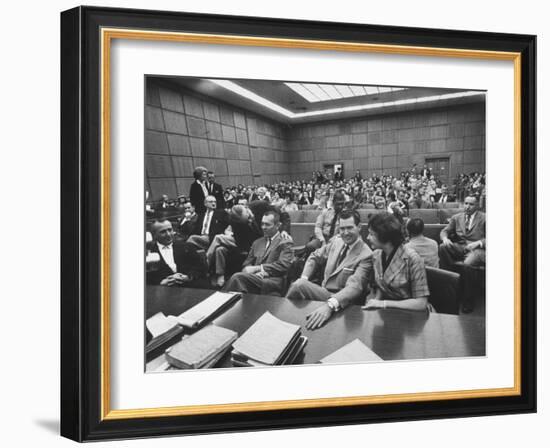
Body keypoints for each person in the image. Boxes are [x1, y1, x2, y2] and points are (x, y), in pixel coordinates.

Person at [286, 209, 373, 330]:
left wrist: (330, 305)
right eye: (342, 229)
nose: (345, 233)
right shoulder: (336, 242)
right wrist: (305, 277)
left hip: (343, 302)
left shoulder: (366, 254)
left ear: (359, 227)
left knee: (299, 285)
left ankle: (285, 322)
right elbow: (314, 257)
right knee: (301, 282)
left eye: (349, 228)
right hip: (323, 292)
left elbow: (355, 287)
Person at [362, 212, 430, 311]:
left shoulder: (413, 259)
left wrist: (383, 304)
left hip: (413, 316)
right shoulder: (376, 255)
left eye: (371, 234)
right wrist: (375, 303)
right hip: (388, 313)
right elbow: (382, 285)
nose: (368, 238)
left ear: (384, 236)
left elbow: (421, 303)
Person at [223, 210, 294, 296]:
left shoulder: (285, 242)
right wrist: (250, 270)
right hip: (254, 278)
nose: (263, 227)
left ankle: (220, 301)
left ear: (278, 225)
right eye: (262, 224)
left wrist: (259, 268)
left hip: (272, 281)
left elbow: (284, 265)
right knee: (238, 283)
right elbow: (247, 264)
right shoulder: (257, 242)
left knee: (237, 278)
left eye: (267, 224)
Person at [146, 220, 208, 287]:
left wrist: (188, 277)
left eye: (170, 230)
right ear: (154, 235)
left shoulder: (186, 246)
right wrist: (160, 283)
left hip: (189, 288)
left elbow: (201, 268)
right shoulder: (149, 253)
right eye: (163, 232)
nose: (168, 234)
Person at [439, 196, 486, 269]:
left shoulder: (484, 218)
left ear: (477, 205)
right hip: (460, 247)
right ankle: (451, 274)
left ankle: (464, 278)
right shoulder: (456, 217)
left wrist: (479, 243)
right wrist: (445, 238)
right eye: (466, 203)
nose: (467, 207)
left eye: (471, 204)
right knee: (442, 247)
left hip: (477, 249)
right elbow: (445, 231)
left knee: (468, 263)